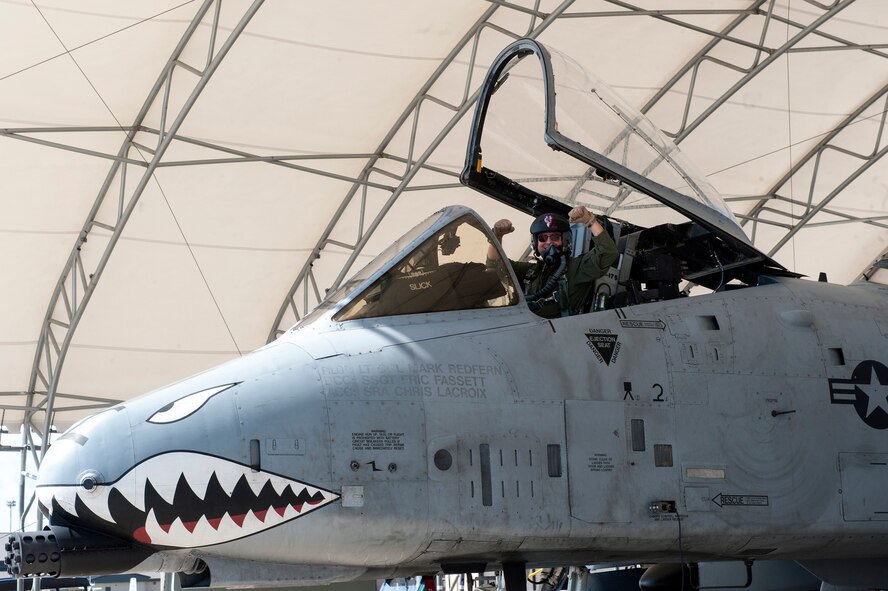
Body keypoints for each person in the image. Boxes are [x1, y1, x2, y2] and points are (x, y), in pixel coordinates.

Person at [488, 205, 617, 318]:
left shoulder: (578, 268)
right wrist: (496, 237)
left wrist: (590, 220)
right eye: (543, 238)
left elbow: (608, 252)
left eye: (555, 237)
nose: (548, 242)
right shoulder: (531, 271)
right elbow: (495, 266)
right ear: (535, 243)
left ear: (566, 240)